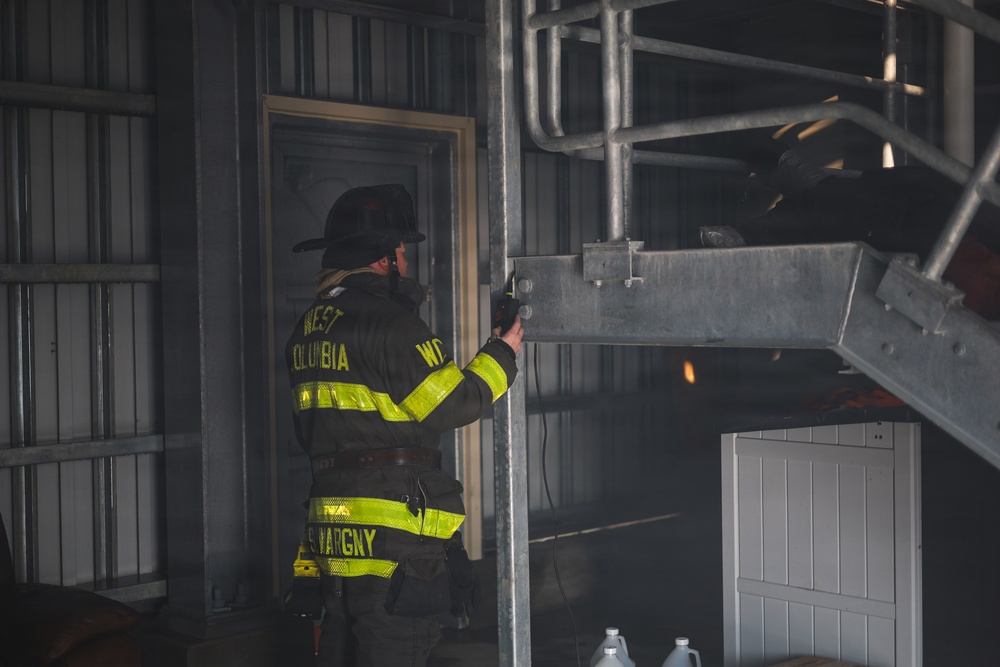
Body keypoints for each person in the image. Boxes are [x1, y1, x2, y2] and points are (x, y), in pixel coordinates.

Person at [284, 184, 524, 667]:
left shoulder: (309, 328)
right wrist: (503, 353)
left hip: (332, 537)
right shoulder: (393, 325)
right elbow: (453, 404)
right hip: (396, 542)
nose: (407, 264)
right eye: (401, 253)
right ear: (382, 261)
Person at [700, 137, 1000, 320]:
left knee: (848, 216)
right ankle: (789, 191)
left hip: (942, 280)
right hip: (941, 230)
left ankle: (795, 180)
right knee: (854, 209)